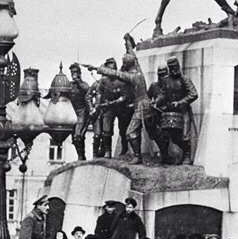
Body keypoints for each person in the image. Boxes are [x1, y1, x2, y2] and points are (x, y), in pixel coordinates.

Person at [90, 34, 161, 165]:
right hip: (146, 105)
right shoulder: (137, 68)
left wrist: (97, 69)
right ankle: (164, 153)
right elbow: (131, 52)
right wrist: (127, 40)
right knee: (152, 133)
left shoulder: (131, 76)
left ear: (126, 65)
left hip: (141, 106)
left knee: (131, 132)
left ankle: (138, 156)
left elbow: (115, 73)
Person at [154, 57, 198, 165]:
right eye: (172, 67)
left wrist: (180, 102)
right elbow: (163, 93)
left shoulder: (185, 79)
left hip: (183, 110)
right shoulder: (166, 80)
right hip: (170, 111)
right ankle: (166, 158)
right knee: (168, 135)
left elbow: (193, 94)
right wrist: (156, 101)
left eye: (176, 67)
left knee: (184, 135)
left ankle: (187, 156)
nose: (174, 69)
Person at [67, 63, 91, 160]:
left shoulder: (83, 85)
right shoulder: (69, 85)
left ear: (80, 73)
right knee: (74, 138)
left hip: (82, 112)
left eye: (75, 72)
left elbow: (88, 90)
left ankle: (81, 156)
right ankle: (80, 155)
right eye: (72, 72)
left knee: (78, 135)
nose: (74, 74)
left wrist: (78, 82)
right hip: (72, 113)